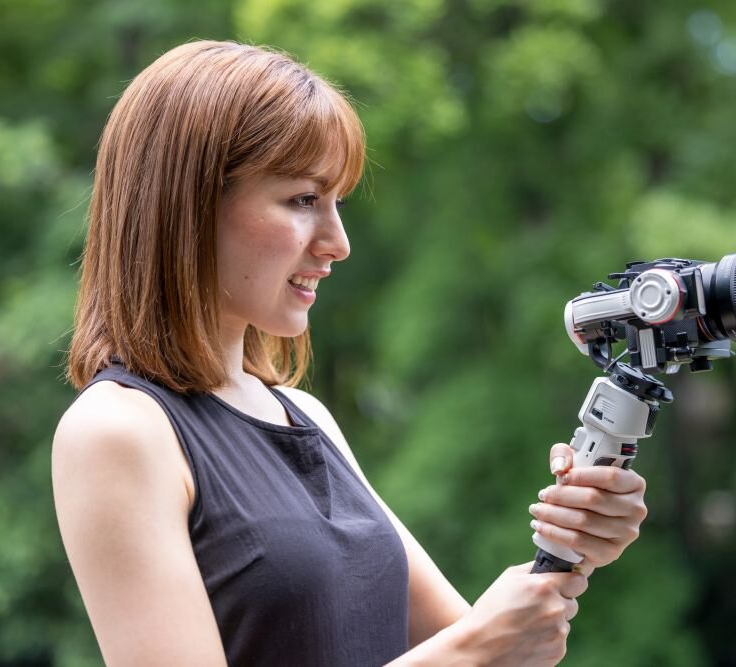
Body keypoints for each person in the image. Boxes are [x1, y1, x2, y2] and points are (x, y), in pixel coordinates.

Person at [51, 40, 648, 666]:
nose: (338, 242)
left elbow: (487, 648)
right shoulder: (117, 431)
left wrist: (572, 544)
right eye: (303, 200)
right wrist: (474, 650)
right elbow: (470, 653)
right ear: (190, 205)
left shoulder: (305, 416)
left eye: (336, 202)